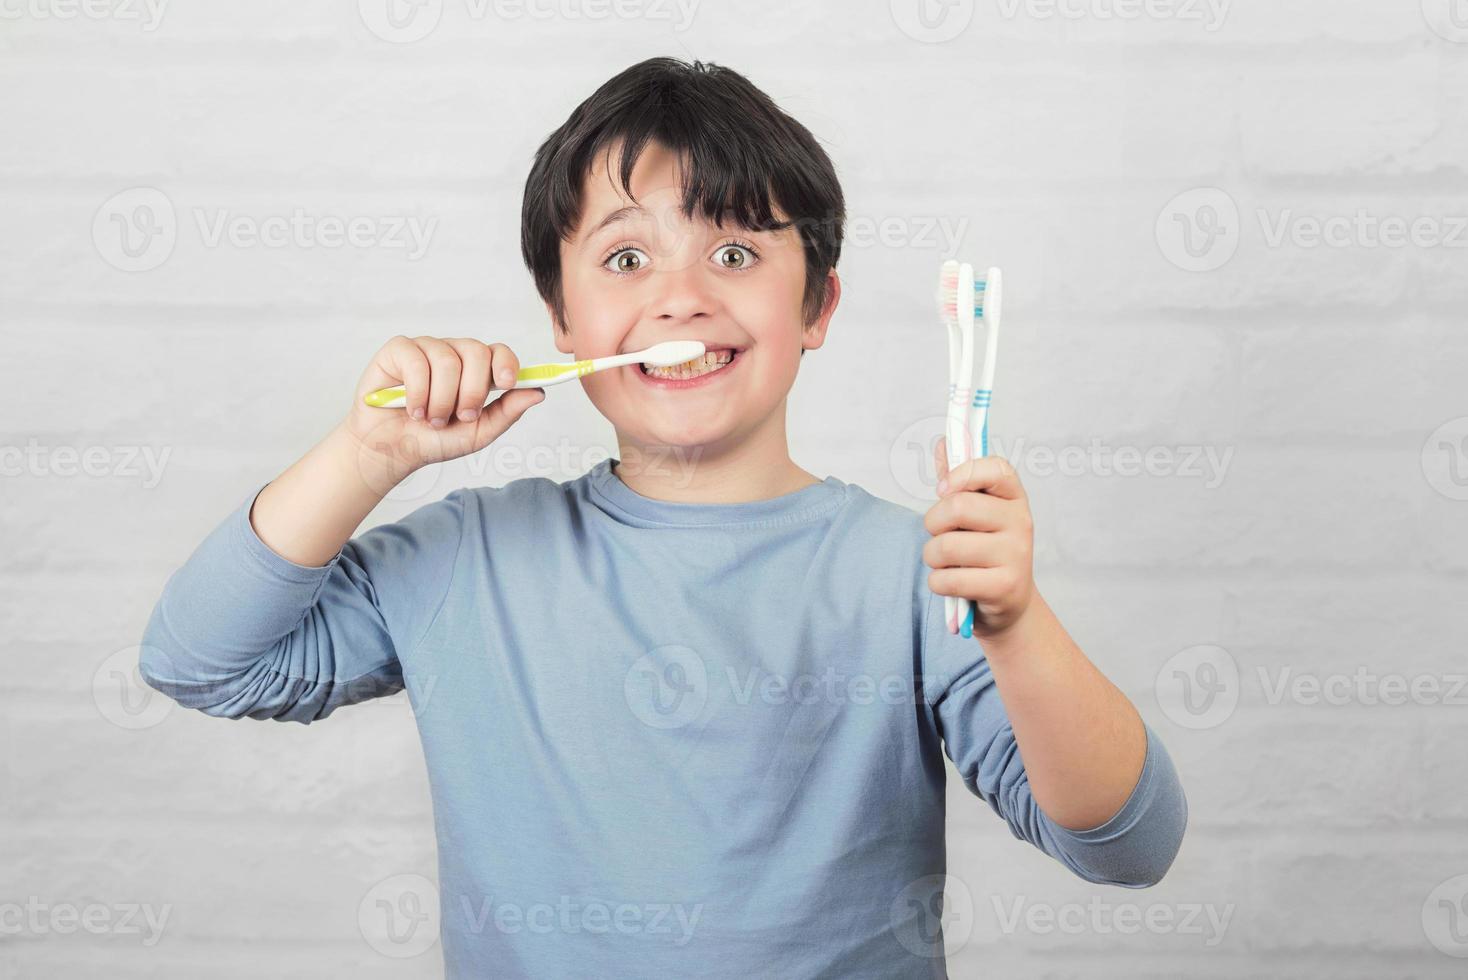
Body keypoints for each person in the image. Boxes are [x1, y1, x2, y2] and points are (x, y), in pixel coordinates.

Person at [140, 56, 1186, 978]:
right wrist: (367, 453)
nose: (681, 297)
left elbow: (1127, 845)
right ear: (560, 315)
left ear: (817, 306)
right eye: (626, 258)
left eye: (734, 254)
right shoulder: (468, 555)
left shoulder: (915, 571)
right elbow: (203, 659)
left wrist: (1015, 622)